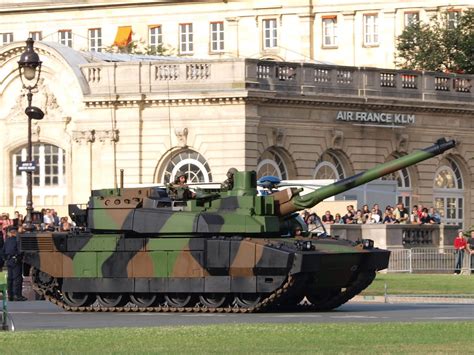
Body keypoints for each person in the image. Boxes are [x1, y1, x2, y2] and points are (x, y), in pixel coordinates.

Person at [2, 227, 27, 301]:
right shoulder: (18, 240)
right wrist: (19, 257)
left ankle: (10, 295)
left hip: (9, 261)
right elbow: (21, 251)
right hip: (15, 260)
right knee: (17, 278)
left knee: (10, 278)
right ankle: (17, 295)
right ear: (15, 232)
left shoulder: (7, 240)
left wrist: (5, 258)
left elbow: (2, 251)